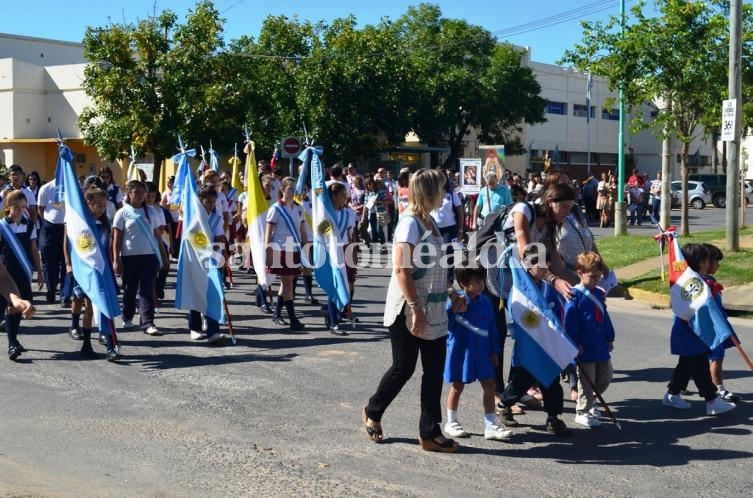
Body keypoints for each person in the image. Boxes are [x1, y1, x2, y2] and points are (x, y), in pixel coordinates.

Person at [362, 168, 466, 453]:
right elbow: (401, 270)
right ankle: (373, 410)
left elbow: (435, 268)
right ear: (429, 192)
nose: (446, 194)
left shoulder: (430, 221)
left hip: (433, 309)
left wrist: (453, 292)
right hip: (408, 308)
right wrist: (415, 308)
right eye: (442, 189)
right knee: (404, 367)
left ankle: (430, 433)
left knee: (434, 371)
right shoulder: (409, 223)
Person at [498, 245, 571, 436]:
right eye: (539, 264)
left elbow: (555, 312)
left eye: (546, 264)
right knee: (522, 380)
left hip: (547, 344)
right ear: (527, 264)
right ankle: (503, 404)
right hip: (530, 345)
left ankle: (553, 417)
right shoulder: (519, 291)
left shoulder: (547, 286)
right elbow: (522, 316)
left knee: (551, 381)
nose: (544, 269)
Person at [662, 243, 736, 415]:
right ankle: (712, 400)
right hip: (692, 332)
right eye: (706, 260)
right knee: (700, 367)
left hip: (692, 332)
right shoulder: (692, 284)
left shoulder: (693, 280)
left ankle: (672, 393)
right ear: (701, 262)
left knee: (686, 365)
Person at [443, 261, 512, 441]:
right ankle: (451, 422)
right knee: (457, 386)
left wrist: (494, 350)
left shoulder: (486, 302)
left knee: (489, 385)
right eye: (477, 281)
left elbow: (492, 328)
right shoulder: (456, 302)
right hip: (461, 352)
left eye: (482, 281)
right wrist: (453, 309)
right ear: (464, 284)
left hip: (483, 352)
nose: (481, 284)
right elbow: (447, 325)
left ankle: (490, 425)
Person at [63, 187, 121, 361]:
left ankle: (110, 344)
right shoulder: (79, 223)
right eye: (98, 205)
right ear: (89, 203)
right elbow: (67, 243)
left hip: (101, 271)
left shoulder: (103, 224)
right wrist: (68, 264)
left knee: (103, 305)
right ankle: (86, 342)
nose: (102, 209)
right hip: (84, 270)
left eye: (104, 206)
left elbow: (107, 247)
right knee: (86, 306)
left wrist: (113, 263)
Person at [564, 252, 615, 428]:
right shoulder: (574, 295)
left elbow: (605, 317)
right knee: (587, 381)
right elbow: (570, 322)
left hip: (599, 343)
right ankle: (582, 411)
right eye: (592, 276)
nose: (596, 280)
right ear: (580, 273)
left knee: (606, 377)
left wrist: (609, 337)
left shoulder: (599, 294)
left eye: (598, 276)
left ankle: (590, 403)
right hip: (584, 346)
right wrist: (575, 342)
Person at [112, 180, 166, 336]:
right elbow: (117, 238)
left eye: (143, 193)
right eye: (136, 192)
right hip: (129, 257)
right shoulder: (122, 213)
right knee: (130, 289)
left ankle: (148, 322)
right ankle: (127, 316)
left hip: (149, 257)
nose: (141, 195)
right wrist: (116, 259)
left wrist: (163, 255)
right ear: (129, 194)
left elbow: (157, 236)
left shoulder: (152, 211)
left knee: (147, 289)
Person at [0, 191, 43, 361]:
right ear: (8, 206)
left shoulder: (29, 225)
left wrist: (39, 271)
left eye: (23, 207)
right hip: (6, 272)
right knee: (11, 306)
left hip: (23, 271)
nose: (19, 211)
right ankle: (12, 344)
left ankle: (14, 338)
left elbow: (33, 248)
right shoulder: (2, 226)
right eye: (16, 207)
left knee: (20, 308)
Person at [264, 177, 308, 331]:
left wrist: (307, 247)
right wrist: (268, 251)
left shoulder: (299, 208)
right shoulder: (275, 208)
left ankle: (277, 314)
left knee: (287, 283)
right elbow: (268, 233)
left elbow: (303, 231)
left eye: (293, 189)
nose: (291, 192)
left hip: (294, 249)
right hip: (280, 249)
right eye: (289, 189)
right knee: (288, 283)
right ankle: (293, 318)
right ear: (282, 189)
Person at [187, 185, 226, 344]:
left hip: (211, 260)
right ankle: (195, 328)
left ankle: (213, 331)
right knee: (197, 293)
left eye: (213, 202)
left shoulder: (217, 217)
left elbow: (219, 238)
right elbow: (191, 236)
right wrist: (206, 252)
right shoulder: (194, 215)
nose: (210, 205)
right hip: (196, 259)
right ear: (200, 201)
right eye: (207, 202)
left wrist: (218, 256)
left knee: (213, 294)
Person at [701, 243, 741, 402]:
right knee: (716, 356)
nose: (719, 265)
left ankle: (678, 386)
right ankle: (719, 388)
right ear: (706, 262)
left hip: (719, 322)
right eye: (716, 261)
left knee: (701, 358)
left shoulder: (710, 279)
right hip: (711, 327)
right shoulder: (701, 283)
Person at [36, 173, 67, 304]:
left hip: (67, 228)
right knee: (50, 263)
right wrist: (52, 221)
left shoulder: (73, 187)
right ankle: (51, 290)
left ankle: (65, 295)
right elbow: (40, 209)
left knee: (66, 262)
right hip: (50, 228)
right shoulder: (46, 188)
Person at [430, 172, 464, 285]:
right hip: (435, 228)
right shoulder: (431, 193)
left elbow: (460, 212)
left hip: (450, 228)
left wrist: (460, 230)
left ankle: (449, 279)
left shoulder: (451, 193)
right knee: (436, 253)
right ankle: (437, 277)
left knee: (448, 252)